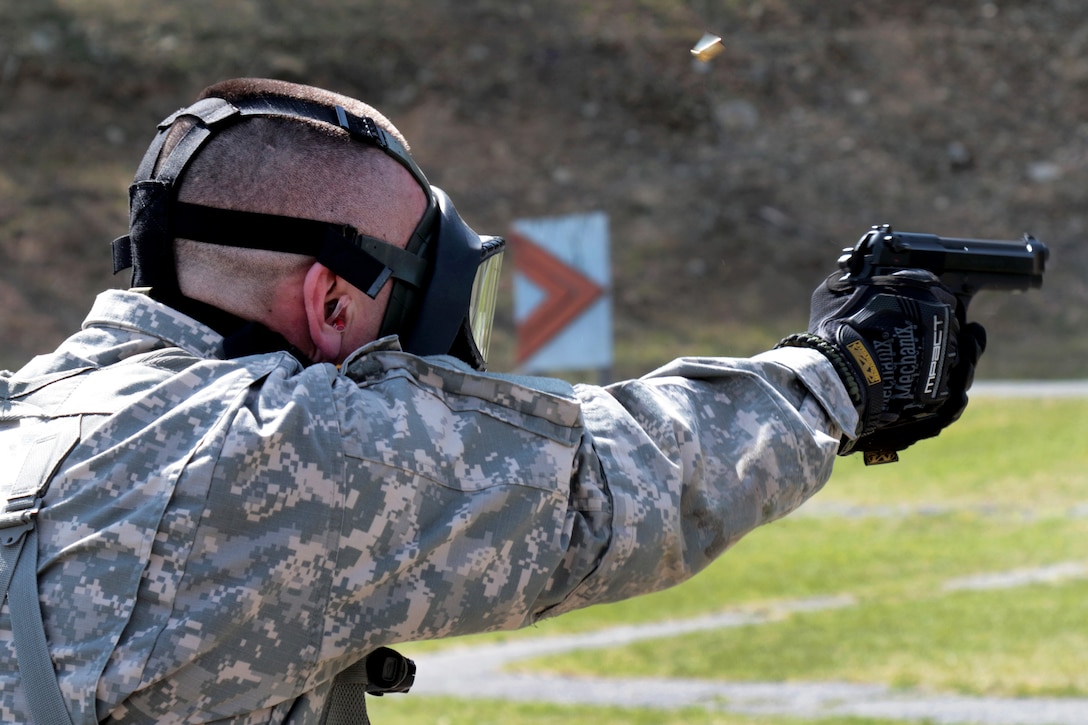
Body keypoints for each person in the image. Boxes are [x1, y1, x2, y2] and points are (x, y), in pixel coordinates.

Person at [0, 78, 984, 724]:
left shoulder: (21, 413)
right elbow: (621, 482)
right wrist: (849, 370)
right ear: (329, 297)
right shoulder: (288, 448)